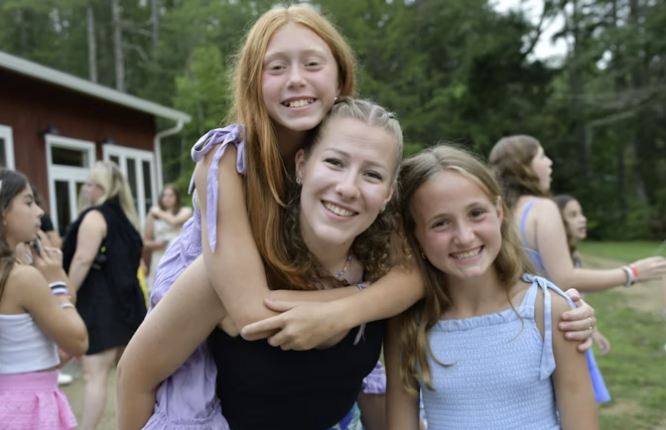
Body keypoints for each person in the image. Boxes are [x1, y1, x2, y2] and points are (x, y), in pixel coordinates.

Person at [117, 5, 596, 429]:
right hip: (217, 291)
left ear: (341, 80)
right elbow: (250, 314)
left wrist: (556, 308)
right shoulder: (226, 162)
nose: (296, 79)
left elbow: (416, 277)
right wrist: (351, 306)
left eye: (312, 64)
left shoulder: (369, 229)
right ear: (303, 166)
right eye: (276, 66)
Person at [385, 145, 599, 430]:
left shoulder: (549, 311)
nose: (464, 237)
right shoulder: (408, 322)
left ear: (498, 212)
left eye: (476, 213)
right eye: (441, 223)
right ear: (415, 237)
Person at [488, 135, 666, 293]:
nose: (550, 162)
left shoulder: (496, 211)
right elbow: (565, 279)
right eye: (542, 156)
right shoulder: (542, 208)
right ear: (524, 167)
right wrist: (632, 273)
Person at [0, 168, 88, 429]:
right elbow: (78, 341)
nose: (39, 211)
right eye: (28, 202)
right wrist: (56, 281)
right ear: (3, 213)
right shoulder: (21, 278)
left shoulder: (15, 271)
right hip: (27, 406)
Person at [62, 161, 146, 430]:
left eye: (90, 184)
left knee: (93, 375)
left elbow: (83, 259)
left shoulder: (95, 217)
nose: (86, 189)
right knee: (129, 376)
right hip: (130, 303)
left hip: (102, 305)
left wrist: (65, 297)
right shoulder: (127, 219)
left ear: (102, 187)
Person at [553, 194, 611, 403]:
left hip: (579, 335)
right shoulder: (555, 263)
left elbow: (579, 301)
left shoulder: (575, 258)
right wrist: (630, 274)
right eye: (573, 215)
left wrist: (594, 330)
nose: (582, 219)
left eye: (581, 213)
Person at [142, 185, 192, 292]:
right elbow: (146, 241)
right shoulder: (153, 215)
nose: (167, 198)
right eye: (164, 195)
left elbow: (174, 221)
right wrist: (157, 245)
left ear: (177, 197)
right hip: (160, 258)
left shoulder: (185, 211)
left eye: (171, 195)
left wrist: (156, 211)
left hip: (179, 256)